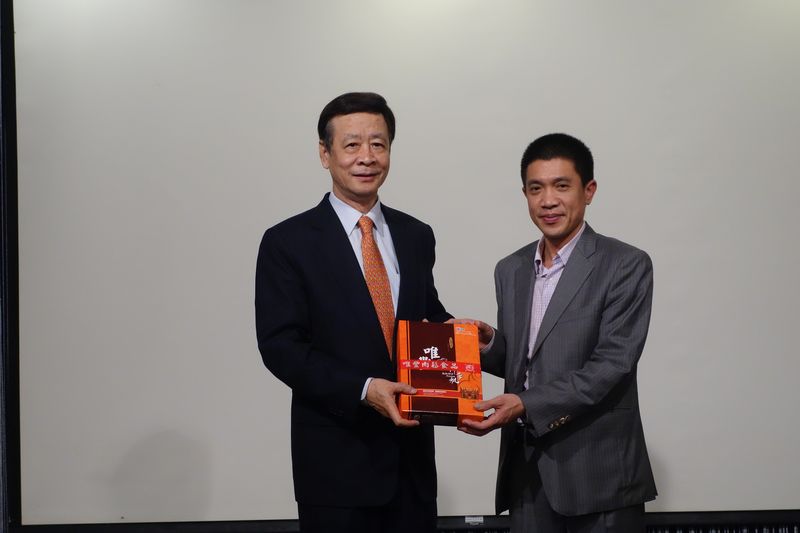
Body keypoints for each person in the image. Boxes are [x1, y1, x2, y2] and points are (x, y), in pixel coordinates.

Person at [255, 92, 451, 533]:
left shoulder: (416, 234)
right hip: (335, 469)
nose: (367, 157)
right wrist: (364, 390)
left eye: (378, 144)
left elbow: (425, 318)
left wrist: (461, 336)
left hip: (412, 467)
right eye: (352, 145)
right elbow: (281, 347)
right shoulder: (288, 242)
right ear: (325, 154)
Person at [459, 133, 657, 532]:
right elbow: (528, 361)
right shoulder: (510, 269)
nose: (548, 200)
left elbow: (611, 366)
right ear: (525, 195)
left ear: (589, 191)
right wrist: (490, 344)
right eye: (536, 189)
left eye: (561, 186)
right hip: (526, 475)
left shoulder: (626, 264)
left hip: (598, 474)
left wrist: (525, 404)